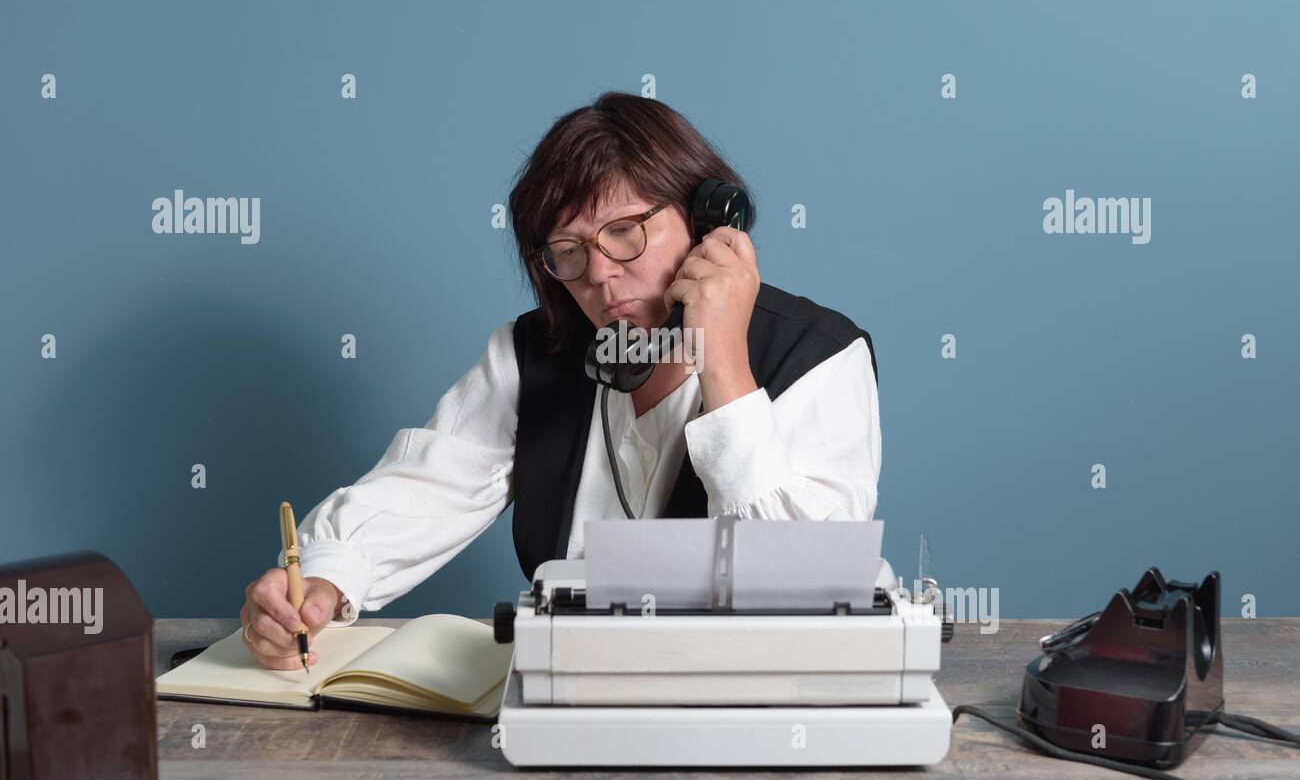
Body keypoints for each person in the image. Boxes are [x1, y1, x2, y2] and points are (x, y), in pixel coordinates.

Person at [240, 91, 883, 670]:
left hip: (745, 705)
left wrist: (724, 366)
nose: (599, 275)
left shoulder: (818, 355)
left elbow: (810, 587)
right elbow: (425, 488)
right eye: (569, 252)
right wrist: (320, 585)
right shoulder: (532, 354)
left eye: (626, 233)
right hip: (565, 698)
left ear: (708, 221)